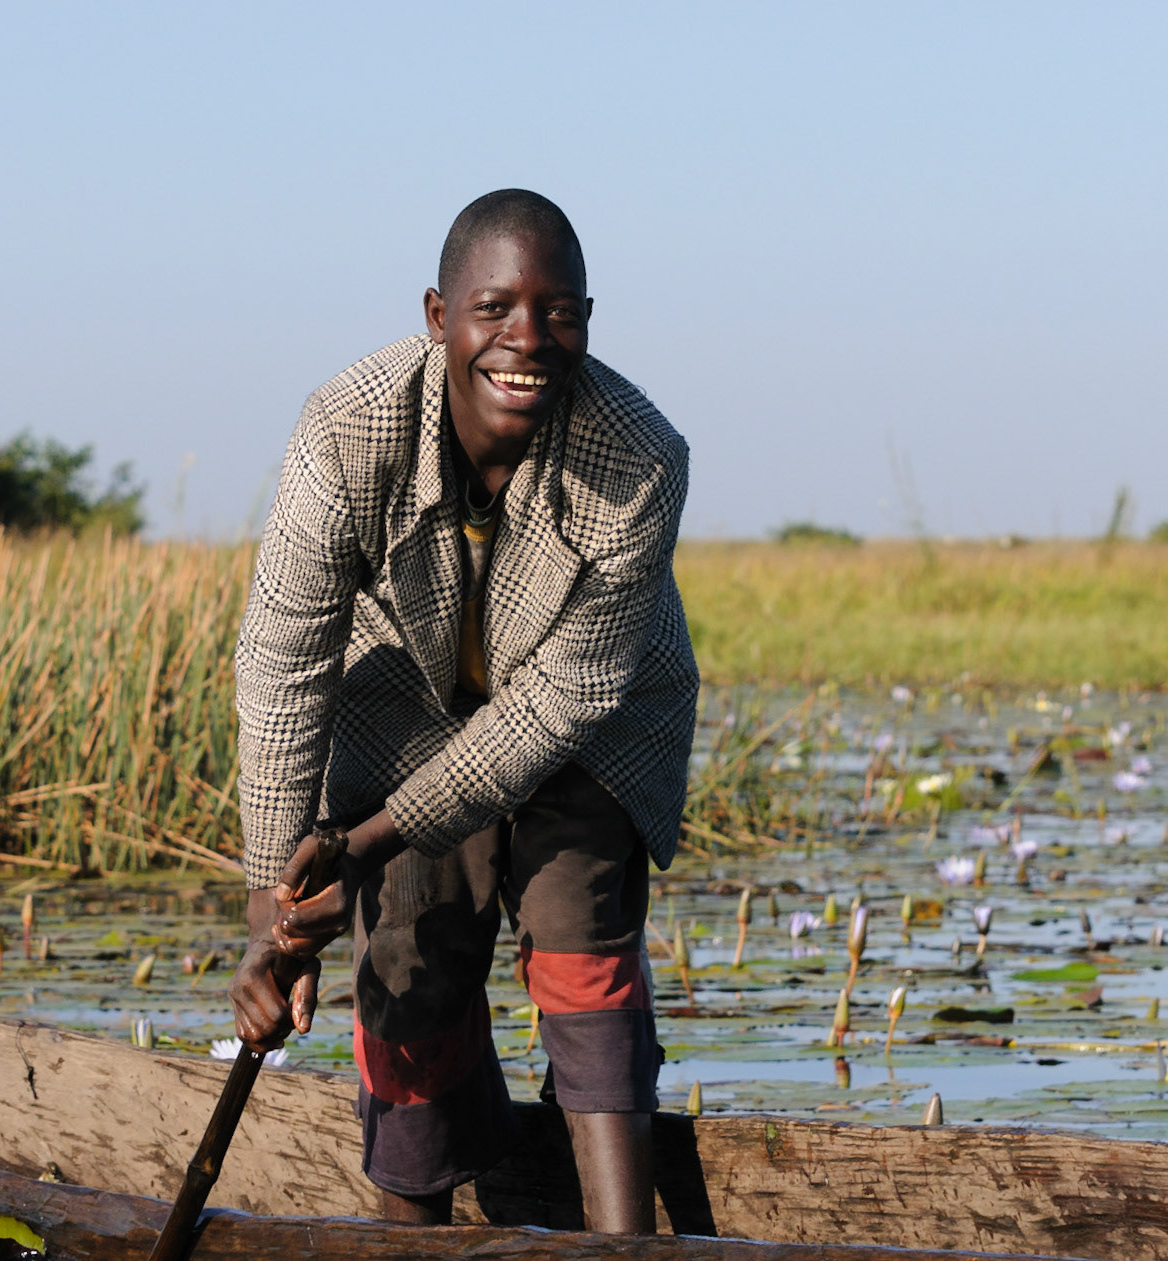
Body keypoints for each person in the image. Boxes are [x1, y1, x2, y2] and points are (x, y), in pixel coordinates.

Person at [227, 189, 698, 1234]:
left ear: (586, 318)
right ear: (440, 316)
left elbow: (551, 709)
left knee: (579, 931)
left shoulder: (641, 459)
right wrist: (274, 908)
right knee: (406, 952)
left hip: (596, 721)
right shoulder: (347, 431)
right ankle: (416, 1229)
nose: (527, 340)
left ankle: (623, 1245)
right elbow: (285, 664)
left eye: (559, 312)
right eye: (496, 309)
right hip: (404, 704)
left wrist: (358, 840)